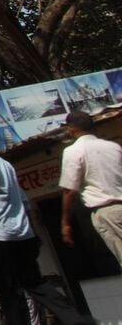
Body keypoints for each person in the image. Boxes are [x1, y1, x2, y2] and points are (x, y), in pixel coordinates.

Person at [0, 127, 93, 325]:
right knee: (35, 283)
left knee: (8, 293)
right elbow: (24, 200)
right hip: (21, 235)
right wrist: (32, 231)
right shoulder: (3, 164)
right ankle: (75, 319)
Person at [58, 109, 122, 266]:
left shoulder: (73, 150)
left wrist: (65, 222)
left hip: (107, 212)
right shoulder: (113, 147)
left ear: (71, 128)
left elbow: (70, 189)